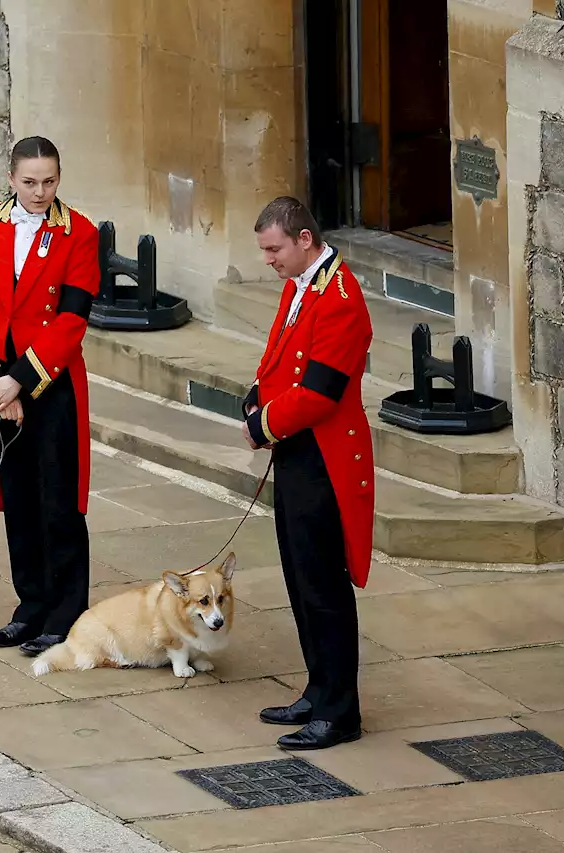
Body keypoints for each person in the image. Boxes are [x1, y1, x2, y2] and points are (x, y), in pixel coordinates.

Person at [0, 136, 100, 658]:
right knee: (17, 498)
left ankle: (67, 614)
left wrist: (21, 380)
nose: (41, 192)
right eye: (31, 182)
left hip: (51, 384)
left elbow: (72, 320)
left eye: (50, 181)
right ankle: (30, 606)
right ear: (11, 179)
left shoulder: (79, 233)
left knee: (59, 503)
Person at [242, 196, 375, 751]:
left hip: (324, 456)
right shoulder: (301, 285)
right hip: (297, 449)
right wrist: (254, 401)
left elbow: (320, 393)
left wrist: (261, 424)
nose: (268, 260)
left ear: (303, 239)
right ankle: (318, 689)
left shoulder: (341, 299)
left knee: (323, 586)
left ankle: (340, 712)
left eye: (274, 249)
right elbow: (278, 363)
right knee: (299, 577)